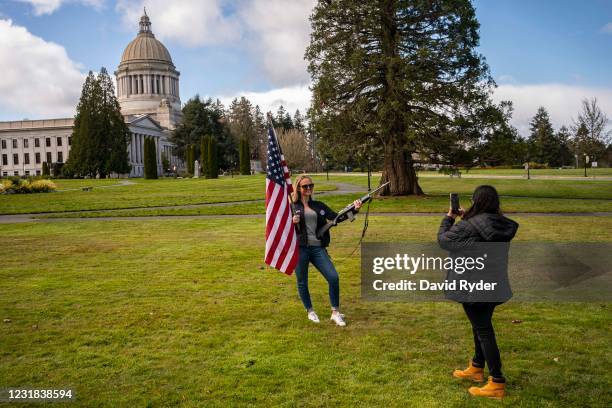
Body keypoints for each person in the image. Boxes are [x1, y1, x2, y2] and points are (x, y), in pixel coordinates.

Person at [437, 185, 519, 399]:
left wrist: (449, 218)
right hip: (493, 284)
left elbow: (444, 240)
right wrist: (468, 220)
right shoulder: (498, 223)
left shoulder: (470, 226)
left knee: (483, 330)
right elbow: (478, 234)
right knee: (480, 326)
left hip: (474, 286)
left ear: (477, 202)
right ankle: (476, 367)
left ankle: (497, 381)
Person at [291, 175, 362, 326]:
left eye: (311, 185)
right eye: (305, 186)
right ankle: (310, 311)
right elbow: (281, 229)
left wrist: (354, 209)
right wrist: (292, 222)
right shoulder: (292, 206)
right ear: (298, 188)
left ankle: (335, 312)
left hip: (317, 248)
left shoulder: (319, 205)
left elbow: (337, 217)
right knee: (302, 281)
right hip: (299, 248)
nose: (309, 188)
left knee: (333, 277)